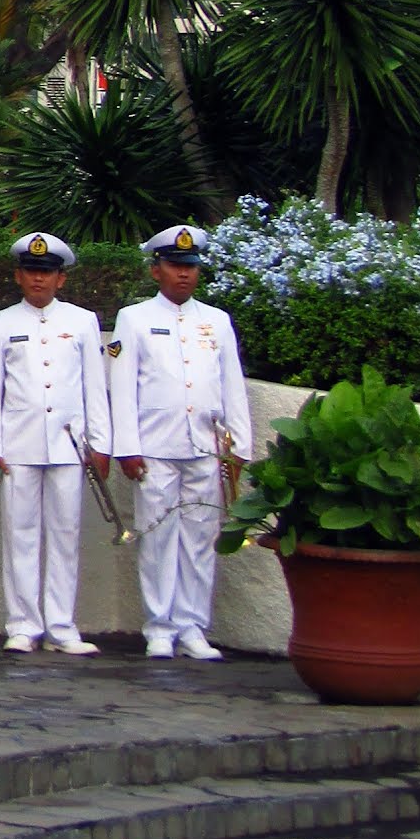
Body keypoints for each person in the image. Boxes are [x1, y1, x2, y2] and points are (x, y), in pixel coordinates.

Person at [109, 223, 252, 661]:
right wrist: (127, 448)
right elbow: (122, 387)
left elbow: (232, 386)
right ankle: (159, 626)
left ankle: (191, 626)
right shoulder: (134, 319)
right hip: (155, 446)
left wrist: (239, 448)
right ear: (157, 270)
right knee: (157, 536)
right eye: (174, 266)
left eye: (190, 266)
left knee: (199, 537)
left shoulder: (216, 320)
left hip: (206, 447)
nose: (184, 274)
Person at [0, 231, 111, 656]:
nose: (39, 280)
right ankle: (22, 624)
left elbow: (96, 387)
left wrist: (101, 443)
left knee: (66, 534)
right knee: (20, 534)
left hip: (70, 445)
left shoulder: (83, 321)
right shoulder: (0, 324)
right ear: (19, 276)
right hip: (19, 445)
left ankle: (61, 626)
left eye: (47, 273)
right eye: (32, 272)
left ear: (60, 279)